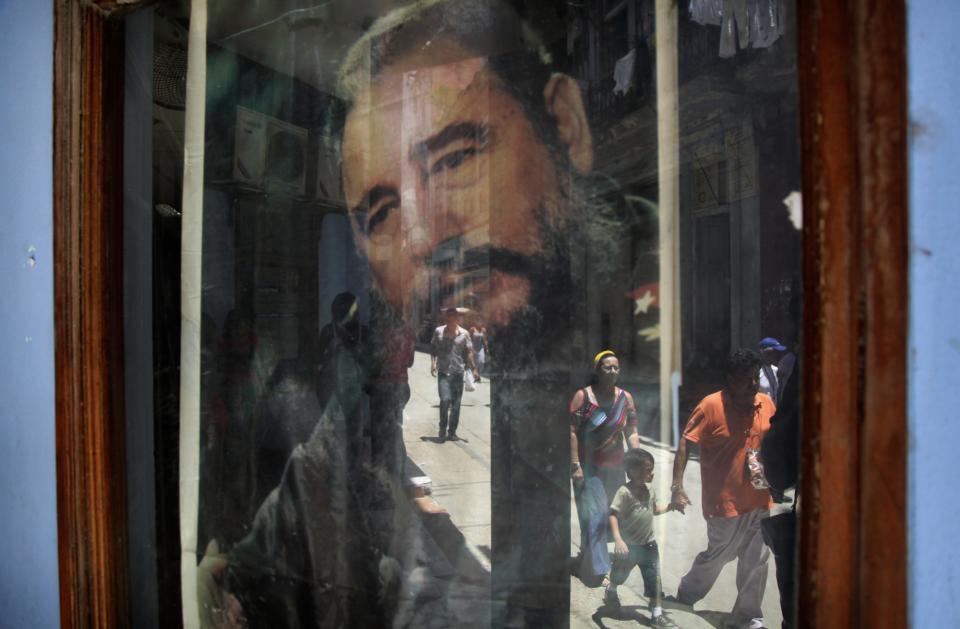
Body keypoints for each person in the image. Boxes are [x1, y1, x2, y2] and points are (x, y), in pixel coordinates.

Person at [206, 1, 658, 626]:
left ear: (565, 124)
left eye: (454, 158)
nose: (425, 239)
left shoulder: (654, 291)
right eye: (384, 211)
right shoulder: (337, 431)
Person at [670, 348, 775, 629]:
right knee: (720, 554)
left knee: (757, 558)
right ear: (730, 378)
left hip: (760, 496)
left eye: (755, 377)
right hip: (723, 501)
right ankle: (687, 593)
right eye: (745, 378)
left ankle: (748, 615)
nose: (753, 384)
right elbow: (685, 442)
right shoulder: (710, 405)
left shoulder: (765, 403)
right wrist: (677, 487)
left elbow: (776, 442)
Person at [569, 350, 641, 585]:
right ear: (597, 370)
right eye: (607, 367)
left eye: (616, 367)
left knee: (615, 514)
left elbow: (631, 429)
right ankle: (599, 570)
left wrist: (636, 457)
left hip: (616, 467)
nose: (612, 371)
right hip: (589, 467)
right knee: (596, 515)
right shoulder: (584, 397)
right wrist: (575, 465)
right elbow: (571, 431)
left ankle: (587, 557)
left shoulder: (625, 398)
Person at [605, 449, 679, 627]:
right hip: (629, 546)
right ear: (631, 471)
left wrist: (671, 506)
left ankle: (656, 615)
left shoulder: (650, 490)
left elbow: (653, 510)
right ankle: (612, 589)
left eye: (651, 469)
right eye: (646, 469)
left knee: (654, 579)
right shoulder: (624, 492)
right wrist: (618, 540)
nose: (650, 473)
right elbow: (613, 514)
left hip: (649, 545)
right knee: (619, 575)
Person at [430, 307, 478, 442]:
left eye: (453, 317)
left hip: (458, 372)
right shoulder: (438, 331)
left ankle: (452, 432)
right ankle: (442, 428)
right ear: (446, 318)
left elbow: (469, 352)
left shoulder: (465, 334)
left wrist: (474, 368)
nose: (450, 319)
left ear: (456, 318)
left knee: (456, 404)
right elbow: (433, 348)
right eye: (448, 317)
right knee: (445, 400)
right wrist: (433, 362)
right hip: (444, 372)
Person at [757, 337, 786, 405]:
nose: (775, 355)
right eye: (773, 352)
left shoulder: (776, 370)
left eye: (777, 353)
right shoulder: (757, 372)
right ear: (763, 352)